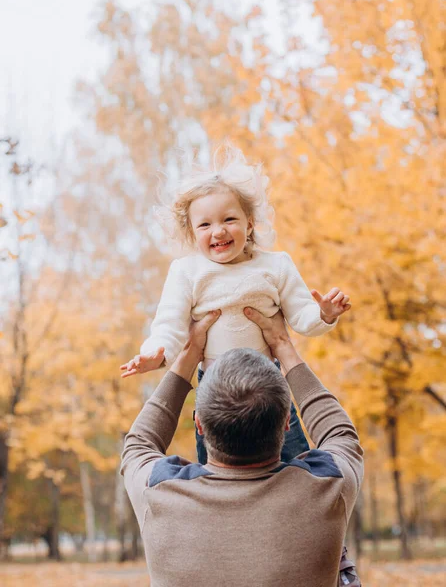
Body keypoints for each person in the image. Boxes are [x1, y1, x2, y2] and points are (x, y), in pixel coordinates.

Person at [120, 142, 351, 467]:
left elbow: (302, 318)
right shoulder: (186, 272)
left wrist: (324, 314)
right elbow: (169, 327)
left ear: (250, 223)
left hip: (268, 387)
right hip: (213, 392)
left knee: (294, 464)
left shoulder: (276, 265)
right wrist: (155, 353)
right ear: (191, 231)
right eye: (205, 224)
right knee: (220, 471)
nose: (219, 231)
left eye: (229, 219)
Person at [120, 307, 364, 587]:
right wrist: (283, 347)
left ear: (199, 424)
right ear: (287, 422)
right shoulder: (328, 486)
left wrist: (188, 355)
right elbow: (341, 434)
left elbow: (139, 443)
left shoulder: (160, 491)